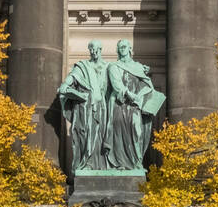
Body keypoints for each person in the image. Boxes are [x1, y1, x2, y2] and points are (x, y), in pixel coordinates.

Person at [106, 39, 162, 171]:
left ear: (130, 49)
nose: (122, 49)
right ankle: (120, 163)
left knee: (137, 131)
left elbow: (147, 85)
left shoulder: (138, 66)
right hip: (120, 105)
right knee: (119, 133)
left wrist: (146, 97)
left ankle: (136, 162)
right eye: (120, 47)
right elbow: (116, 84)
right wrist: (129, 94)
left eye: (124, 47)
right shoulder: (114, 66)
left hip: (136, 106)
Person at [58, 40, 110, 172]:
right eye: (91, 49)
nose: (93, 52)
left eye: (96, 49)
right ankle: (86, 163)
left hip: (102, 107)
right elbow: (72, 77)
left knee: (100, 135)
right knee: (85, 133)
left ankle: (101, 165)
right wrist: (65, 85)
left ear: (100, 49)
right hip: (85, 106)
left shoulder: (108, 67)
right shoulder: (82, 66)